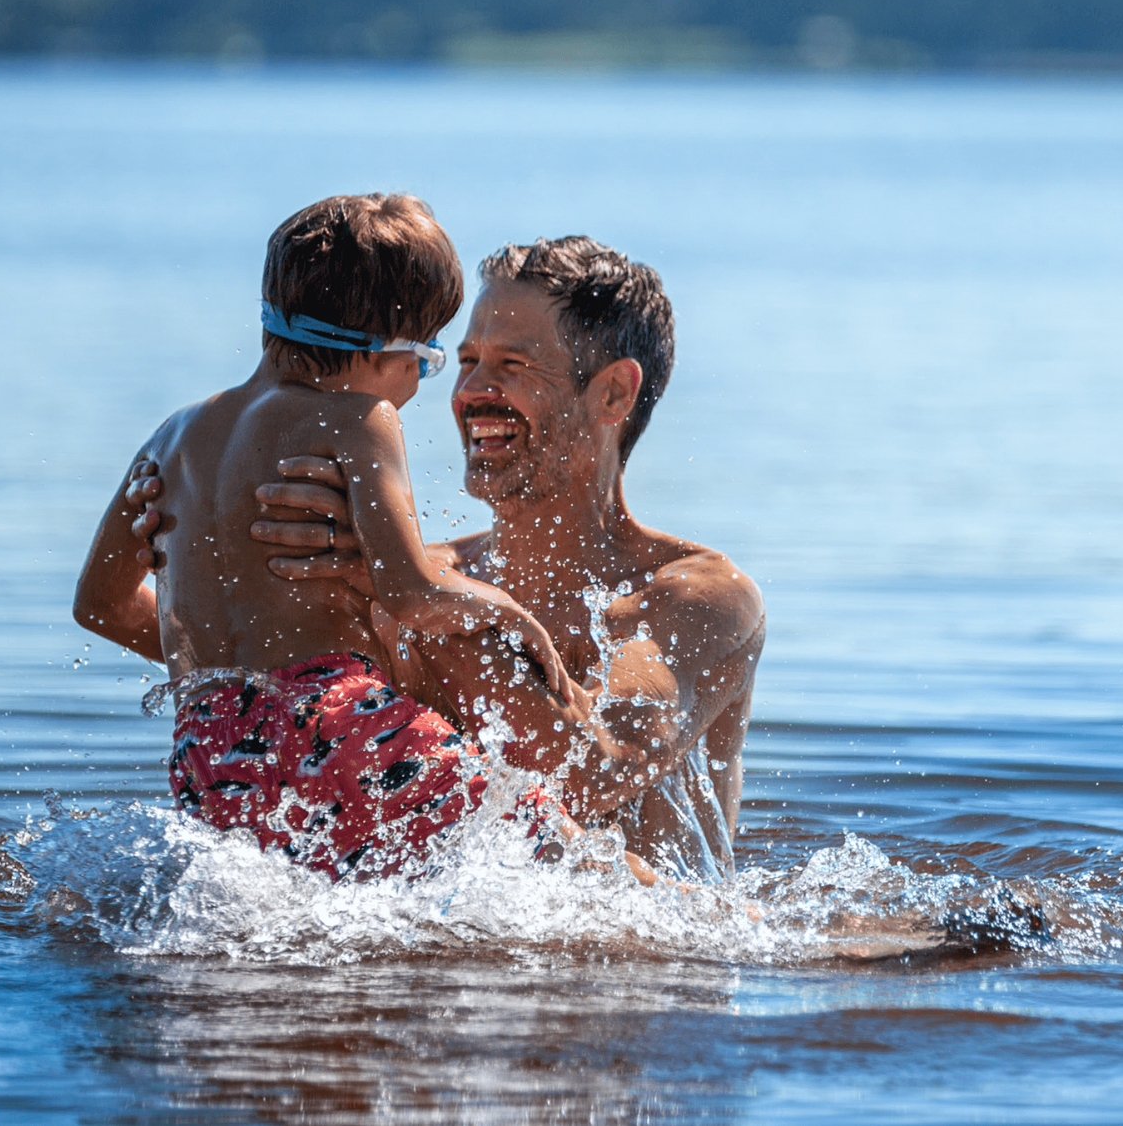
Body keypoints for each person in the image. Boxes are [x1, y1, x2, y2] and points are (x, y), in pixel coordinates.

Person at [136, 236, 766, 876]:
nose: (470, 392)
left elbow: (597, 770)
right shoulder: (406, 575)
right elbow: (258, 668)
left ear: (613, 394)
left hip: (651, 961)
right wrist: (185, 543)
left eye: (512, 364)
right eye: (465, 361)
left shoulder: (696, 595)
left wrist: (400, 599)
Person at [70, 194, 589, 880]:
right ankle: (718, 921)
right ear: (388, 351)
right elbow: (411, 590)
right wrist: (513, 615)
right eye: (428, 360)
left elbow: (97, 606)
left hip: (209, 747)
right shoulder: (360, 416)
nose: (419, 383)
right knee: (559, 846)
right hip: (340, 721)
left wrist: (229, 671)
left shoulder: (170, 439)